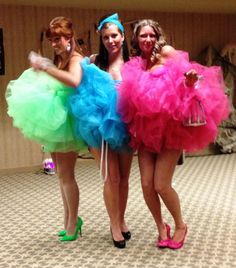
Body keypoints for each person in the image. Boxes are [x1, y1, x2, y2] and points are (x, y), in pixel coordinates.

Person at [118, 19, 230, 249]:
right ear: (136, 40)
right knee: (147, 184)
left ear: (158, 36)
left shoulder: (167, 53)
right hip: (145, 130)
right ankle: (161, 226)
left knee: (161, 184)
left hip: (171, 128)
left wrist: (188, 81)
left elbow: (189, 77)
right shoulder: (137, 64)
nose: (147, 39)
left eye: (151, 35)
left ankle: (180, 225)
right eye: (143, 36)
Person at [6, 16, 86, 241]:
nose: (54, 43)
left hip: (67, 121)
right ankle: (68, 219)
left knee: (67, 175)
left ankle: (73, 222)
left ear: (69, 38)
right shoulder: (59, 59)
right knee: (60, 174)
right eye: (51, 40)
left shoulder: (76, 58)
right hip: (54, 120)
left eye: (58, 39)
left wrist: (47, 67)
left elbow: (74, 81)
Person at [69, 13, 133, 248]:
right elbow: (74, 77)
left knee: (124, 179)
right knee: (111, 177)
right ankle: (114, 224)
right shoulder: (94, 62)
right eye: (106, 37)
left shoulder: (134, 63)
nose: (111, 40)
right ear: (101, 39)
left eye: (114, 35)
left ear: (123, 37)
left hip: (126, 125)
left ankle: (122, 219)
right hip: (99, 127)